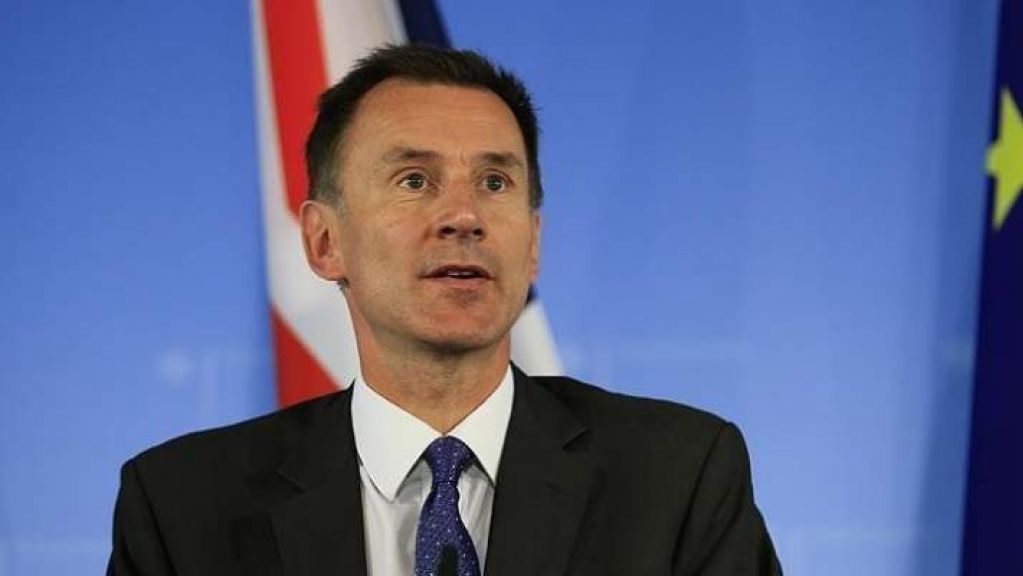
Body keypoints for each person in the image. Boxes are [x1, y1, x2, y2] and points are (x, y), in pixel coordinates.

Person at [107, 44, 782, 576]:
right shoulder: (181, 507)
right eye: (414, 180)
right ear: (324, 242)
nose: (464, 215)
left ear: (533, 244)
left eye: (494, 181)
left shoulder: (677, 478)